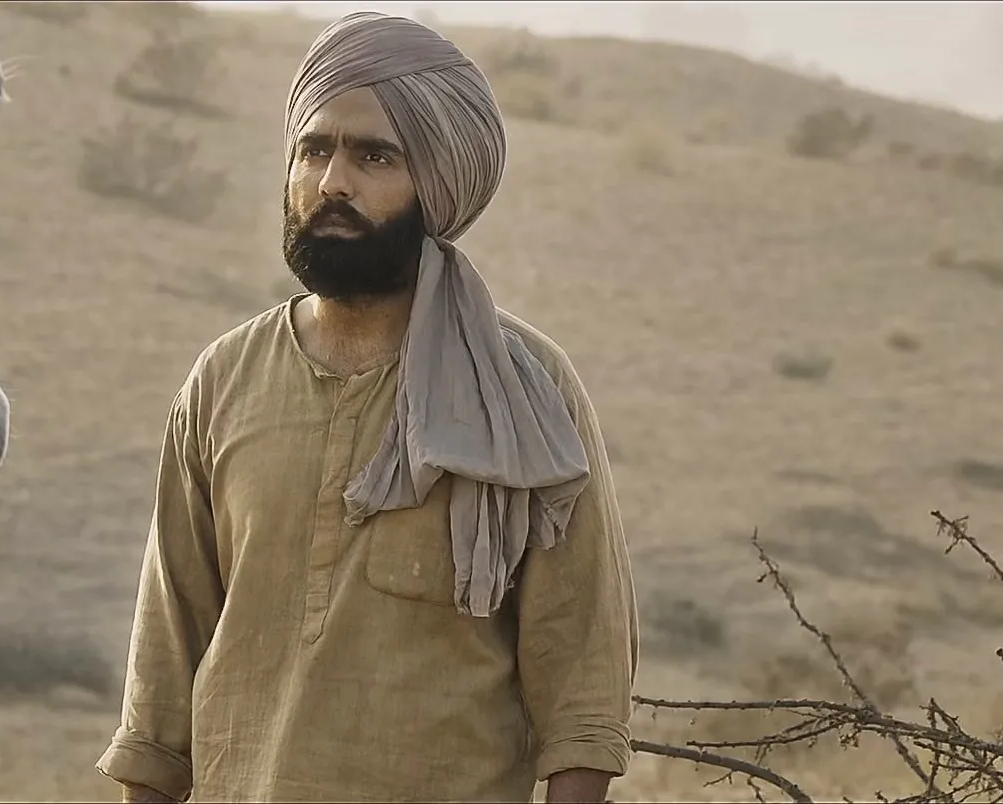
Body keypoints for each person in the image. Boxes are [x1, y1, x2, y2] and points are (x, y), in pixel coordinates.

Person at [92, 11, 637, 804]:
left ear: (436, 185)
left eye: (374, 157)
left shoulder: (526, 388)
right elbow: (160, 691)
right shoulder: (225, 380)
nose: (332, 183)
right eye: (313, 151)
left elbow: (583, 686)